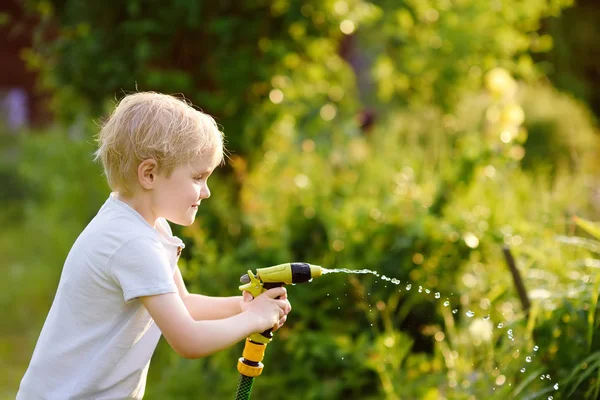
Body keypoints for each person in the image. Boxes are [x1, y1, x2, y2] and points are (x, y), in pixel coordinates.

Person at [17, 92, 292, 399]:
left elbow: (183, 305)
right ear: (149, 174)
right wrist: (254, 319)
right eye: (198, 177)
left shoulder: (148, 226)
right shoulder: (131, 242)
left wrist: (242, 306)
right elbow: (188, 340)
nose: (206, 192)